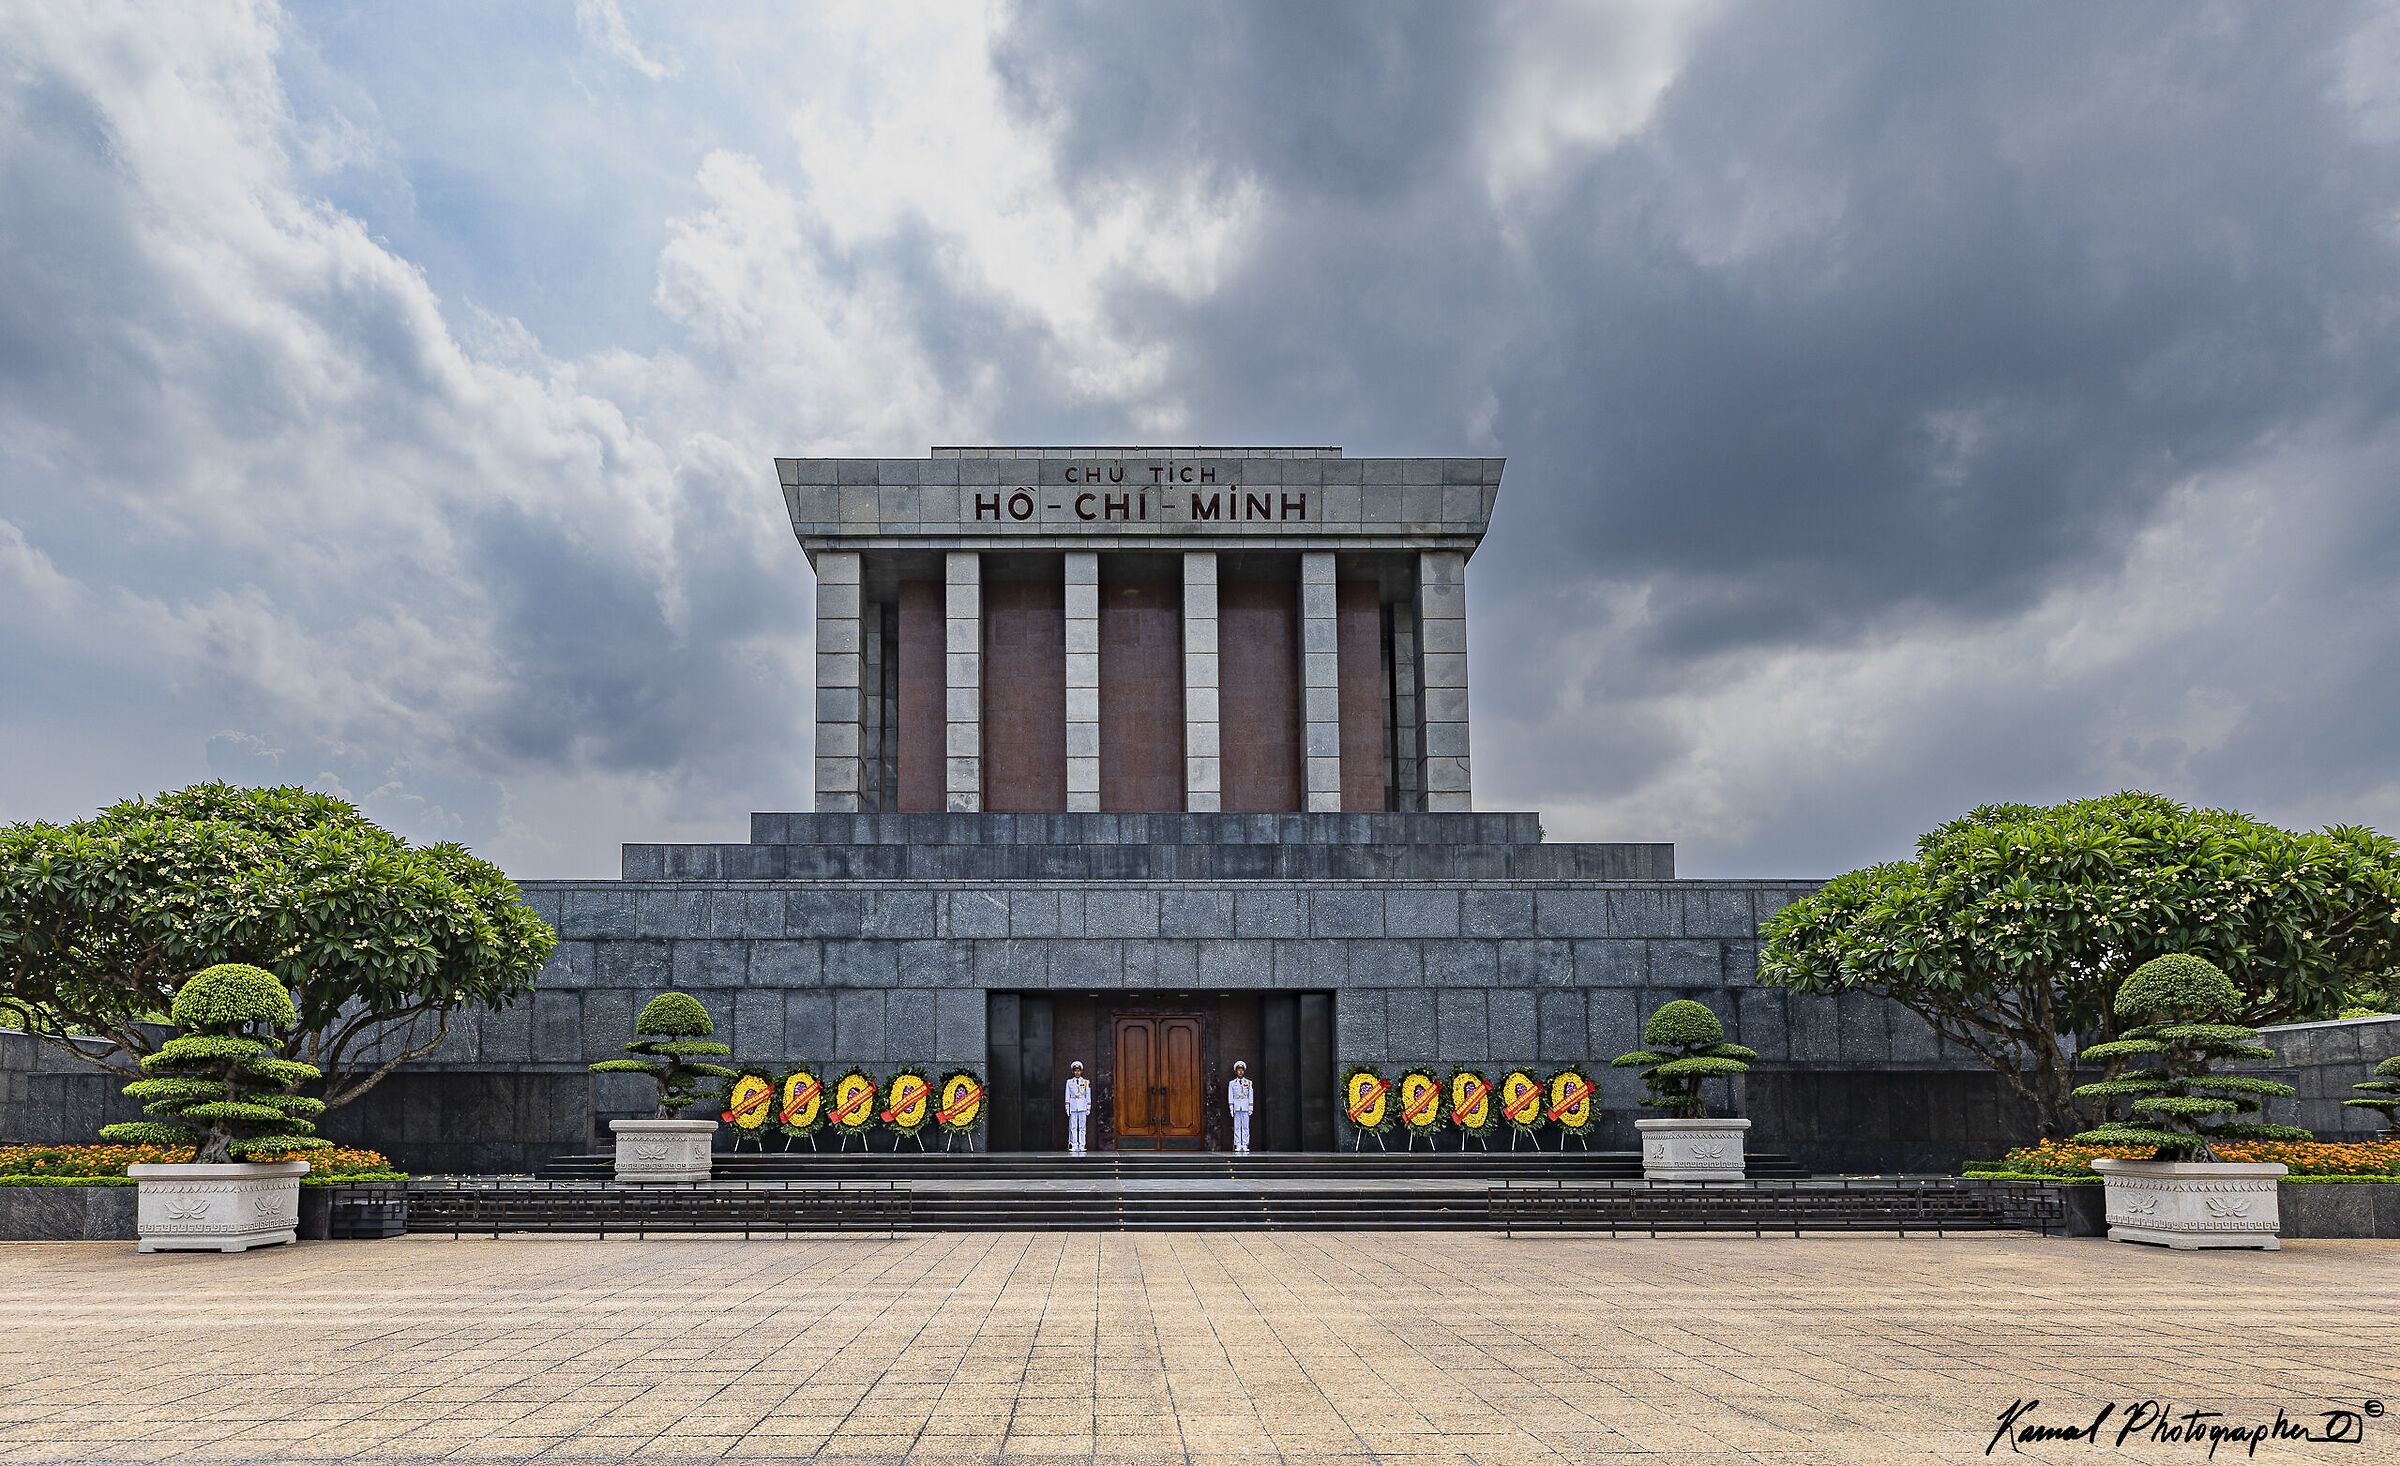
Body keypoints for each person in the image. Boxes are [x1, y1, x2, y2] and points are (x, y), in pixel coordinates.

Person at [1064, 1061, 1091, 1154]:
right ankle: (1074, 1145)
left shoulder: (1086, 1082)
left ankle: (1082, 1145)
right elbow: (1067, 1094)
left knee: (1082, 1127)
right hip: (1073, 1105)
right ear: (1073, 1072)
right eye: (1075, 1071)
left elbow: (1088, 1095)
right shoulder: (1069, 1082)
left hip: (1082, 1105)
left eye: (1079, 1070)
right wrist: (1067, 1107)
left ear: (1081, 1071)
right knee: (1073, 1127)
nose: (1077, 1072)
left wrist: (1088, 1107)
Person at [1228, 1060, 1255, 1153]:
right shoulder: (1232, 1083)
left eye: (1242, 1070)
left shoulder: (1249, 1083)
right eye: (1239, 1070)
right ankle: (1238, 1144)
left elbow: (1250, 1096)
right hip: (1236, 1107)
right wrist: (1231, 1108)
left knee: (1245, 1127)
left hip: (1245, 1106)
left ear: (1244, 1071)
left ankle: (1245, 1144)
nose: (1240, 1072)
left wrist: (1250, 1107)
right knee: (1237, 1127)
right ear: (1236, 1072)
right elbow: (1230, 1096)